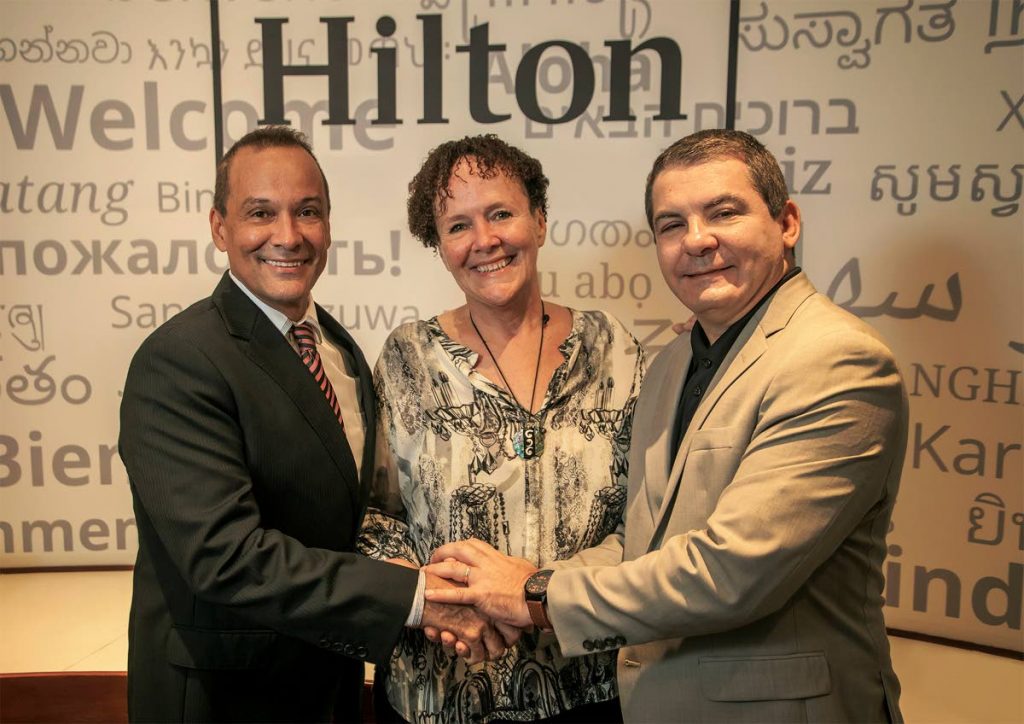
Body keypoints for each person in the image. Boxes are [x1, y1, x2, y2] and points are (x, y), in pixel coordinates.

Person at [426, 129, 910, 723]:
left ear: (786, 222)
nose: (698, 241)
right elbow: (641, 543)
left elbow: (730, 573)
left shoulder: (836, 361)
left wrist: (533, 595)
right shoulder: (674, 362)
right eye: (672, 224)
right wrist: (493, 590)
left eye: (723, 212)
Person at [119, 126, 502, 723]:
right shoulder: (180, 360)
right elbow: (226, 559)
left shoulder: (340, 351)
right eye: (260, 213)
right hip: (227, 701)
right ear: (220, 227)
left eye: (307, 212)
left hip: (330, 687)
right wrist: (419, 597)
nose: (288, 235)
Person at [358, 134, 645, 723]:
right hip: (437, 693)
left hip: (587, 692)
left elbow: (644, 522)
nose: (484, 240)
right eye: (458, 226)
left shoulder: (611, 349)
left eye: (500, 214)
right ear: (438, 246)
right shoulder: (407, 358)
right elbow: (373, 518)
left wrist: (538, 593)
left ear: (539, 220)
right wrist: (441, 606)